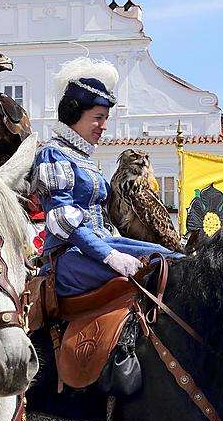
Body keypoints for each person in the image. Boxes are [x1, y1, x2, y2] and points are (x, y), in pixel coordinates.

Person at [34, 57, 176, 297]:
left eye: (106, 118)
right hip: (69, 258)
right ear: (74, 114)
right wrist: (109, 256)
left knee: (177, 261)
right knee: (158, 270)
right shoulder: (53, 154)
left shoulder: (85, 159)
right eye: (98, 117)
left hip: (103, 246)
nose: (104, 126)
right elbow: (62, 221)